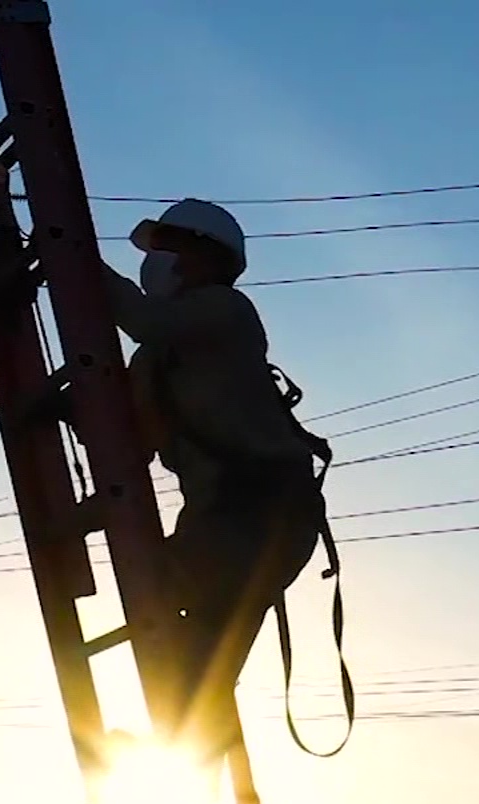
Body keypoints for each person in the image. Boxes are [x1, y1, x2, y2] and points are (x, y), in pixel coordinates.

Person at [99, 198, 327, 759]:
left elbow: (141, 318)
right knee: (196, 665)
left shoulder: (224, 310)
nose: (155, 263)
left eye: (165, 248)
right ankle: (180, 778)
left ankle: (174, 766)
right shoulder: (159, 354)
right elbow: (135, 437)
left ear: (203, 252)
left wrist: (74, 262)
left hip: (262, 515)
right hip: (226, 519)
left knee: (172, 615)